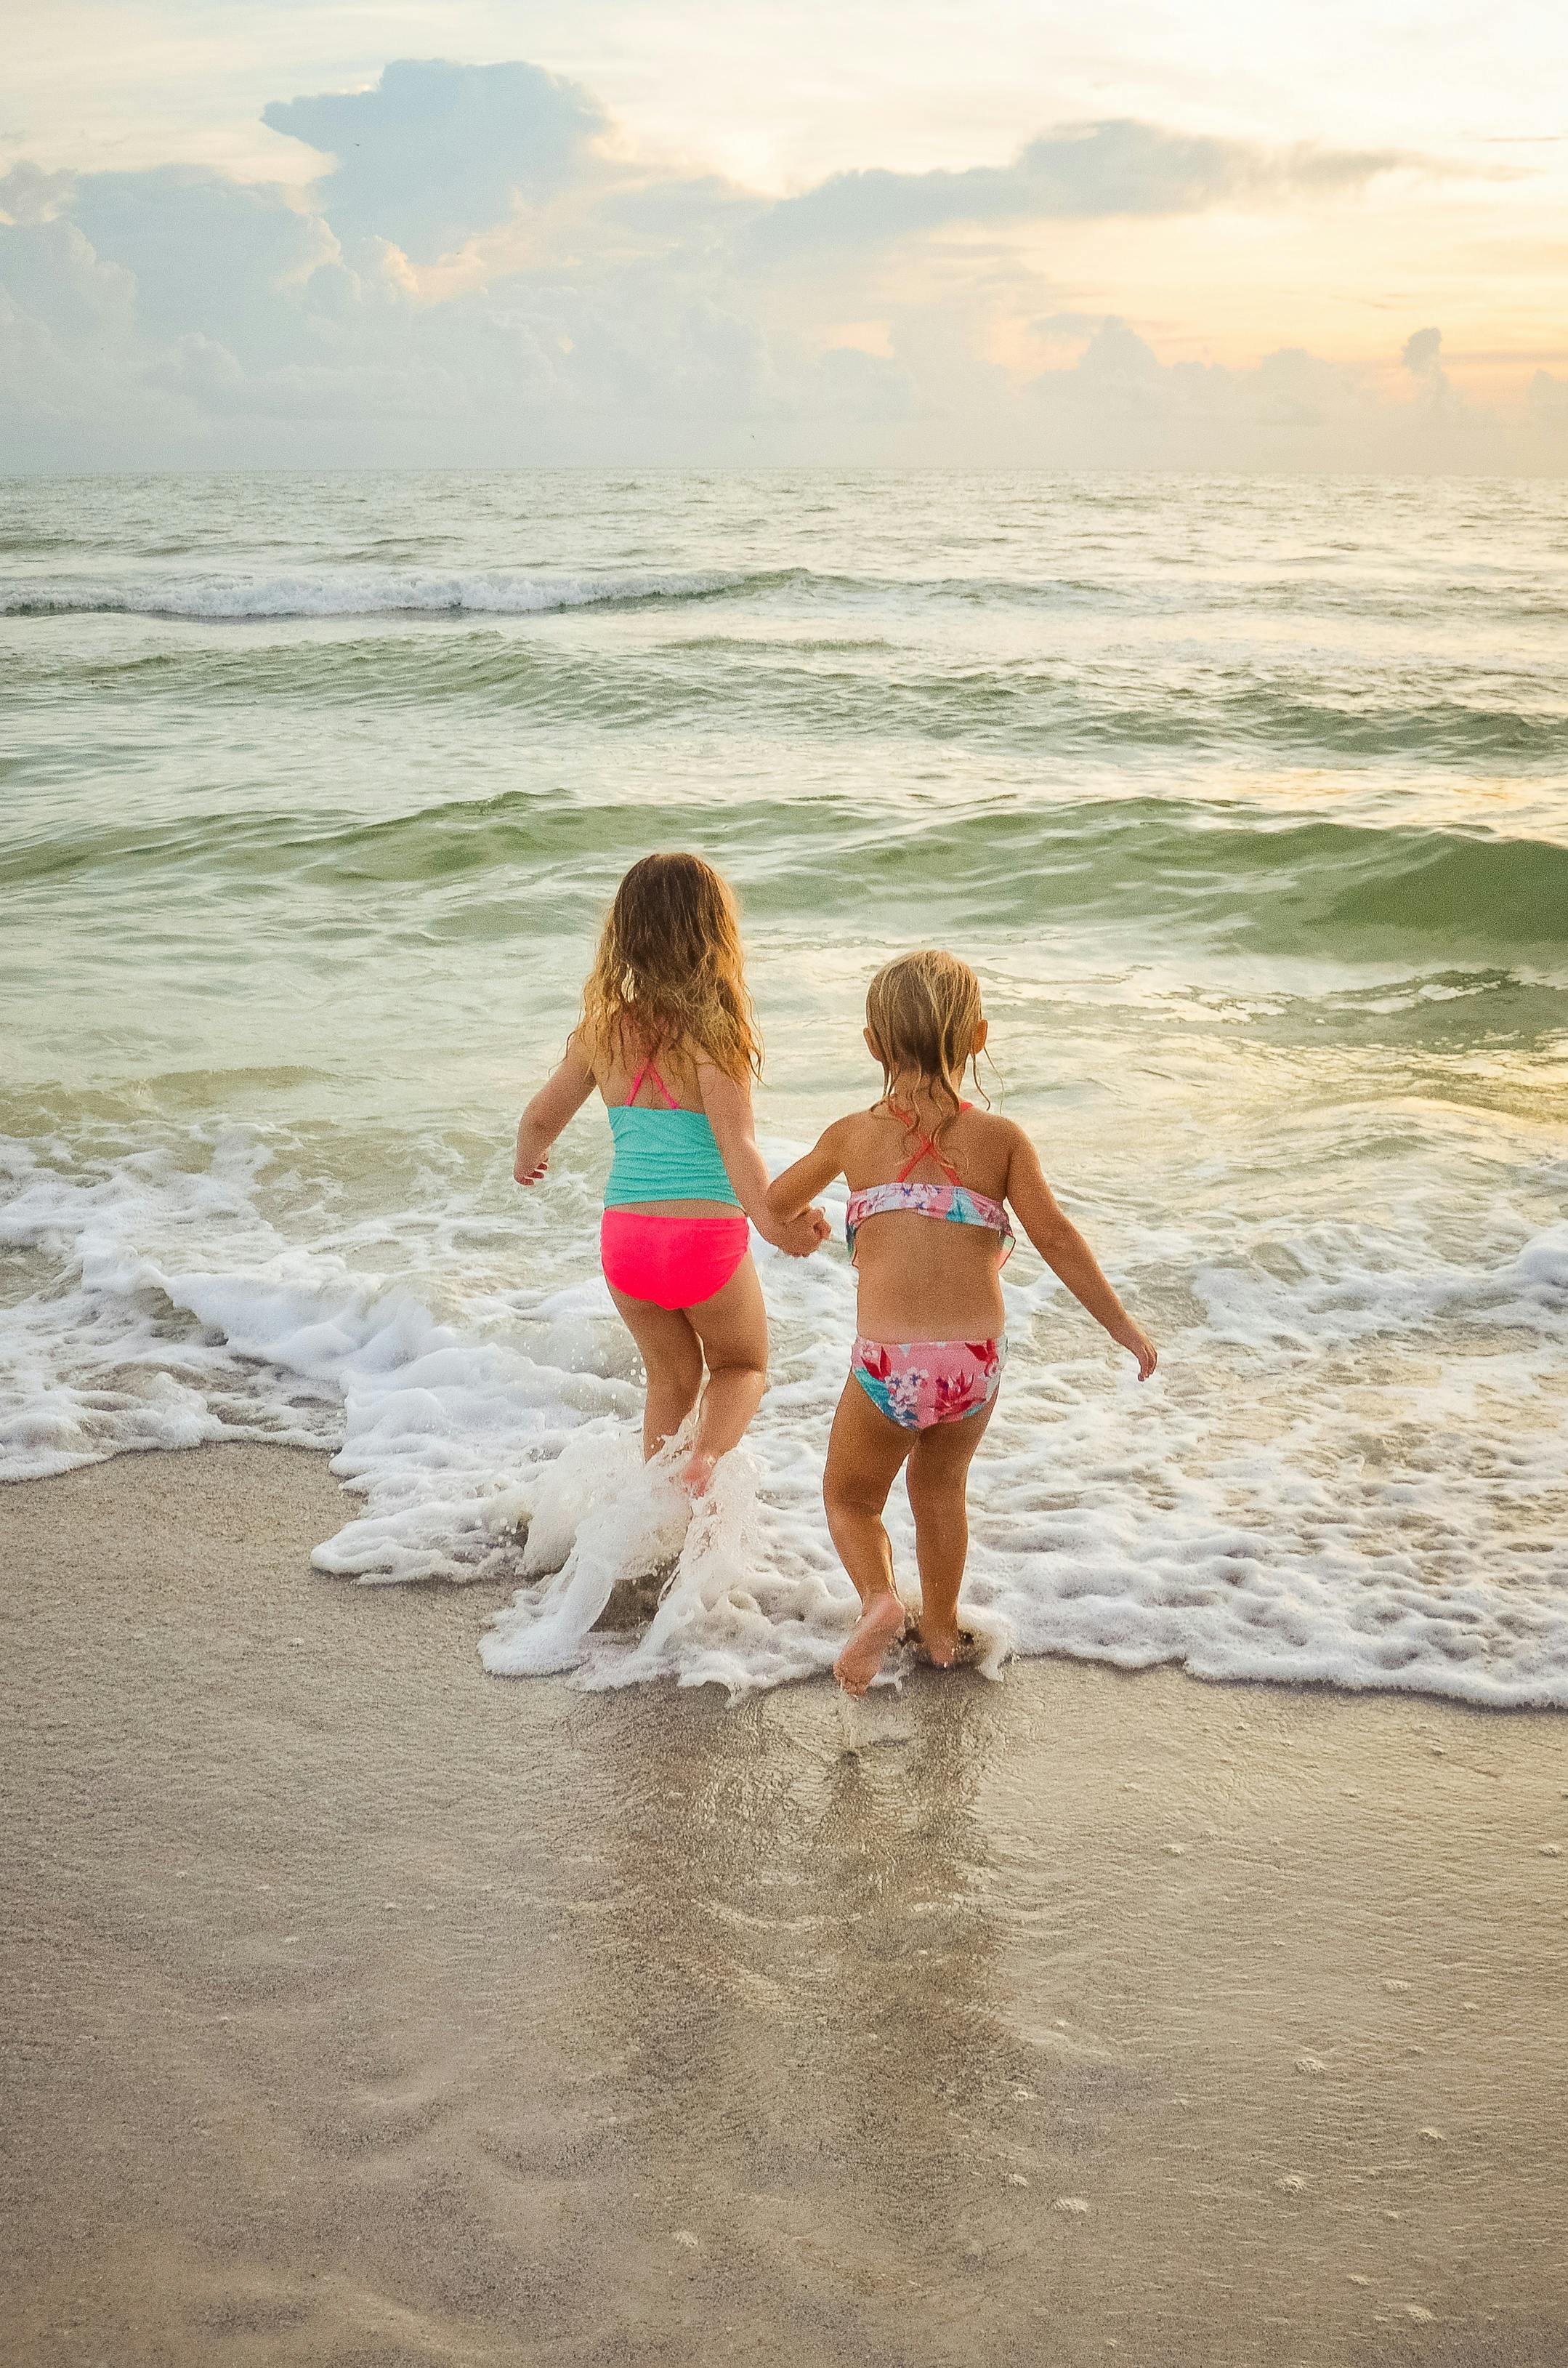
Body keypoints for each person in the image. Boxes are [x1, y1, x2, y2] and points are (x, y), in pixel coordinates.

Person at [766, 948, 1157, 1694]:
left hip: (888, 1363)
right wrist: (1123, 1329)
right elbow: (1058, 1238)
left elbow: (777, 1202)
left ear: (872, 1046)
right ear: (977, 1038)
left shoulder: (850, 1135)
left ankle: (881, 1602)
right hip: (974, 1362)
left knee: (851, 1497)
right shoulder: (1002, 1139)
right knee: (939, 1490)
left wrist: (807, 1226)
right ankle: (940, 1634)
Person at [514, 852, 828, 1494]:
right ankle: (705, 1461)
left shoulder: (599, 1034)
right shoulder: (717, 1035)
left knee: (671, 1379)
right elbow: (738, 1147)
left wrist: (529, 1156)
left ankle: (656, 1509)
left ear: (624, 938)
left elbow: (541, 1116)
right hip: (702, 1242)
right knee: (742, 1364)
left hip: (625, 1242)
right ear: (714, 936)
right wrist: (774, 1222)